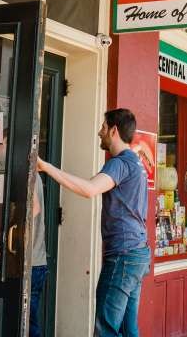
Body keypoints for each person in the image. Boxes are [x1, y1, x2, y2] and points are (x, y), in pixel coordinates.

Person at [37, 109, 148, 337]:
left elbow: (90, 190)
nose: (100, 133)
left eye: (103, 128)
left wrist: (46, 167)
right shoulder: (136, 163)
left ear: (114, 130)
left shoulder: (119, 163)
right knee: (129, 329)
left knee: (105, 329)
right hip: (137, 252)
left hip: (123, 255)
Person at [30, 172, 49, 337]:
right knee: (31, 322)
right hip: (37, 260)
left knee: (28, 324)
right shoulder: (35, 174)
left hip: (29, 262)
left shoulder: (26, 169)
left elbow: (34, 207)